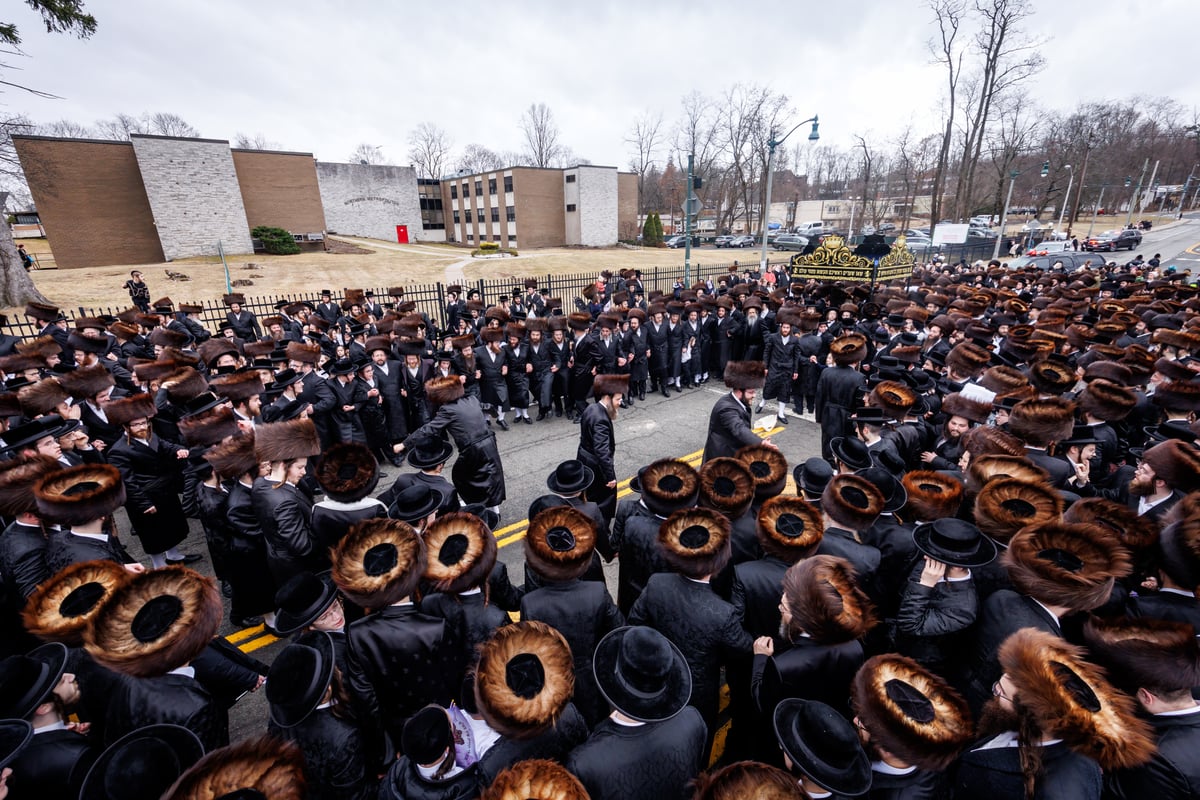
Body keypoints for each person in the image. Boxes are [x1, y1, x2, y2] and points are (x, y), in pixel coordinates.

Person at [702, 360, 773, 462]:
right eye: (751, 392)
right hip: (722, 460)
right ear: (740, 391)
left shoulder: (739, 402)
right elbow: (739, 429)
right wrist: (761, 443)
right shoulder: (726, 409)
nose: (754, 395)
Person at [578, 373, 624, 522]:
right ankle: (601, 528)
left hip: (584, 459)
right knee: (605, 499)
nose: (620, 402)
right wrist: (610, 476)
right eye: (618, 399)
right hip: (597, 466)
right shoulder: (601, 420)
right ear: (607, 397)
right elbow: (602, 451)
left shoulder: (591, 408)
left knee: (589, 496)